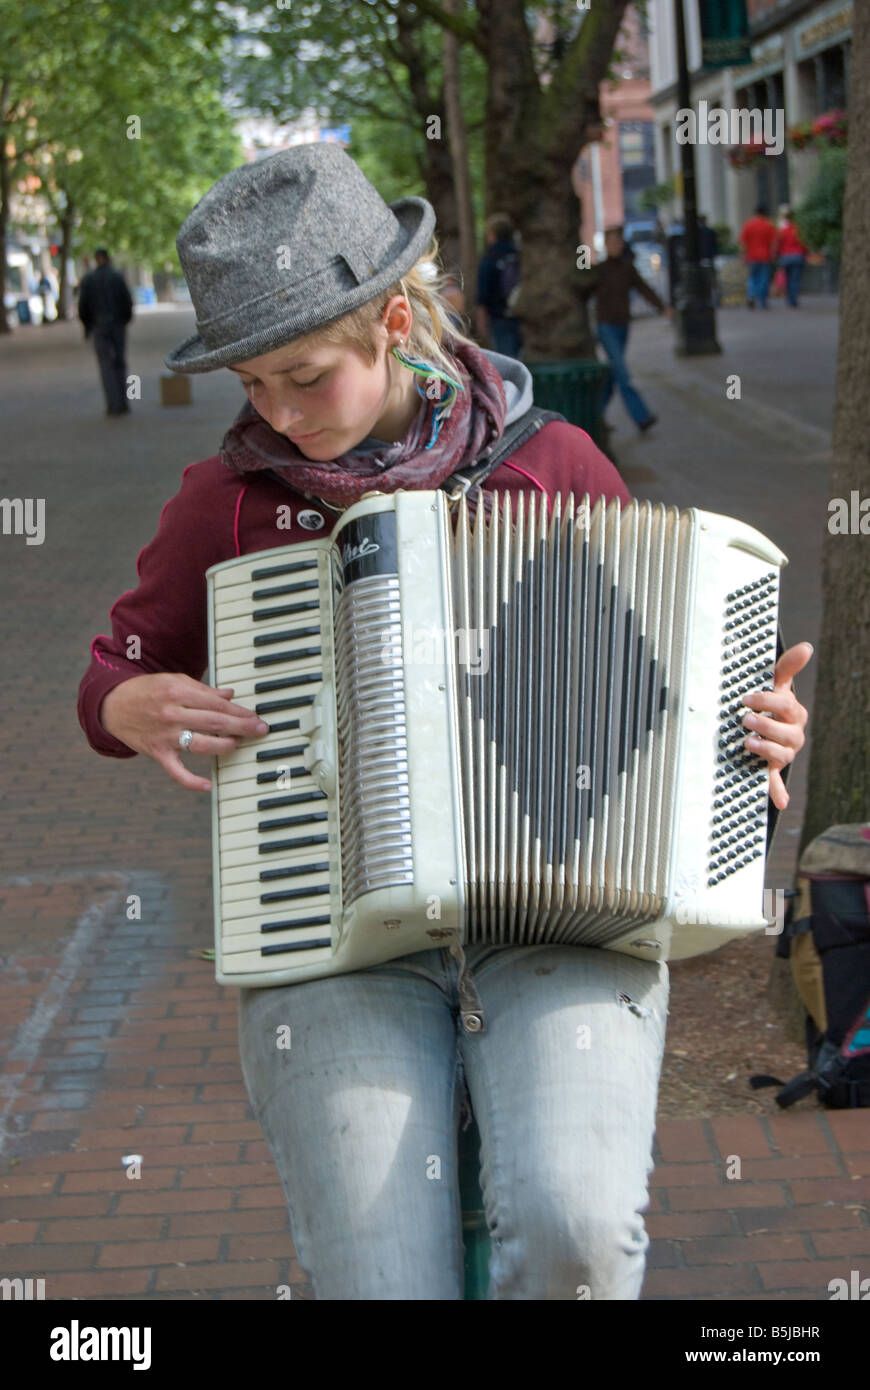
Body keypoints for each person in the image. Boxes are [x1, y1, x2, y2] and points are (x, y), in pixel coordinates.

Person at [76, 145, 811, 1300]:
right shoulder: (229, 506)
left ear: (396, 317)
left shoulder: (552, 465)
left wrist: (752, 730)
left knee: (577, 1235)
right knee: (380, 1277)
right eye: (252, 384)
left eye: (306, 376)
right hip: (329, 936)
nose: (280, 414)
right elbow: (116, 664)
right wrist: (124, 700)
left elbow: (678, 683)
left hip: (563, 920)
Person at [580, 225, 671, 434]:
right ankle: (642, 417)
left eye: (618, 243)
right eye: (611, 243)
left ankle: (595, 416)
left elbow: (643, 288)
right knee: (622, 373)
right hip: (606, 326)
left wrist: (662, 307)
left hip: (622, 326)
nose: (615, 246)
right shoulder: (599, 270)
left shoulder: (627, 268)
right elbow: (582, 291)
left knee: (612, 374)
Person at [77, 247, 134, 415]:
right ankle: (124, 402)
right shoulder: (117, 277)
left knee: (105, 365)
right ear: (108, 258)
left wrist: (88, 327)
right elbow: (127, 302)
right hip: (117, 325)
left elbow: (83, 306)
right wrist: (124, 321)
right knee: (119, 362)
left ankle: (112, 404)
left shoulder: (89, 279)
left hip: (99, 326)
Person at [476, 213, 522, 359]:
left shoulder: (489, 259)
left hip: (499, 318)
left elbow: (482, 297)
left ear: (492, 234)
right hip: (524, 316)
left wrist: (482, 327)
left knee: (507, 361)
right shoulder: (520, 256)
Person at [739, 204, 777, 310]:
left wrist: (743, 256)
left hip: (751, 256)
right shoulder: (768, 225)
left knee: (752, 278)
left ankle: (751, 296)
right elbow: (774, 242)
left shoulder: (749, 225)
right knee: (763, 279)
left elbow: (743, 242)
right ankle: (763, 300)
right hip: (765, 256)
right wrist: (773, 254)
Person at [774, 206, 808, 308]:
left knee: (788, 279)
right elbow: (804, 243)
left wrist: (777, 254)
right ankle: (793, 299)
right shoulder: (799, 229)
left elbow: (778, 243)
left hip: (786, 257)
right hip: (797, 256)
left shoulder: (782, 230)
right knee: (795, 279)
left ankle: (789, 298)